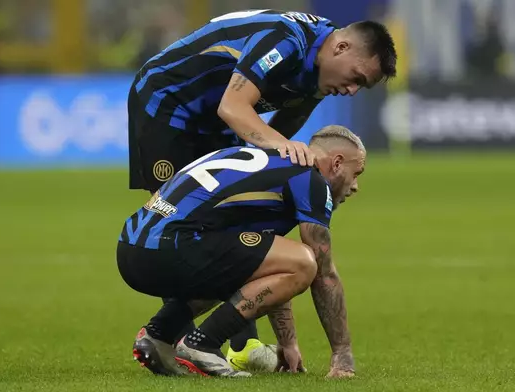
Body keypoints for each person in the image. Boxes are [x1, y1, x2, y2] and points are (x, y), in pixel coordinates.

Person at [127, 8, 396, 373]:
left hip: (213, 117)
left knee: (239, 223)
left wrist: (288, 338)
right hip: (168, 102)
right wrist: (285, 147)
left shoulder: (314, 80)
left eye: (360, 88)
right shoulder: (286, 40)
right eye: (355, 78)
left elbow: (271, 166)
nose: (350, 91)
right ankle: (183, 340)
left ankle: (223, 342)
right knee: (185, 223)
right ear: (341, 47)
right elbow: (234, 106)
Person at [118, 125, 366, 378]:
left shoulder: (270, 163)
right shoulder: (309, 178)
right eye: (356, 173)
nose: (355, 186)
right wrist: (342, 353)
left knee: (263, 260)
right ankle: (202, 344)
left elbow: (265, 262)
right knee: (306, 262)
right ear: (336, 163)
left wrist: (287, 342)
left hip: (132, 249)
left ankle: (158, 334)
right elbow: (324, 274)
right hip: (172, 246)